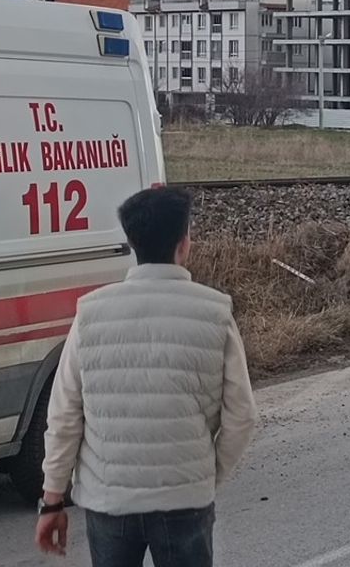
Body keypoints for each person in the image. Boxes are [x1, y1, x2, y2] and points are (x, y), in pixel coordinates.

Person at [36, 188, 256, 567]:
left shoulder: (91, 313)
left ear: (132, 242)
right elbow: (242, 416)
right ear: (184, 244)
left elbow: (64, 417)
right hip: (186, 502)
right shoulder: (215, 312)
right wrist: (204, 475)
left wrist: (52, 500)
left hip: (110, 504)